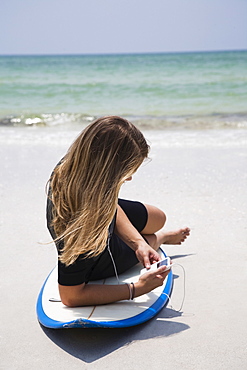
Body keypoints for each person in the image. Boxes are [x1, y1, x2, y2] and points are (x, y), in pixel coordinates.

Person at [46, 116, 190, 307]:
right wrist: (137, 288)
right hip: (99, 255)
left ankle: (147, 240)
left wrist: (137, 242)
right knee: (152, 239)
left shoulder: (76, 164)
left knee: (158, 217)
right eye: (127, 172)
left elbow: (107, 203)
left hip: (98, 213)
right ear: (107, 172)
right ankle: (160, 238)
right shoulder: (82, 227)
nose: (129, 179)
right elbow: (71, 296)